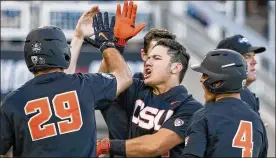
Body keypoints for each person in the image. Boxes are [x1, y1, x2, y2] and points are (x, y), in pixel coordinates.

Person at [0, 6, 133, 157]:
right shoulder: (85, 85)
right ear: (61, 50)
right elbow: (124, 77)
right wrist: (107, 44)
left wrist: (78, 36)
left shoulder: (13, 101)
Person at [83, 1, 176, 142]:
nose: (157, 61)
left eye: (164, 55)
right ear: (144, 54)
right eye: (154, 53)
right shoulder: (130, 86)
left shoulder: (184, 101)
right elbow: (102, 85)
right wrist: (116, 45)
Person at [96, 37, 203, 157]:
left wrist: (106, 145)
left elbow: (154, 146)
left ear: (176, 68)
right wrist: (113, 47)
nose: (148, 62)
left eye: (156, 58)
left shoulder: (190, 108)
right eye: (148, 58)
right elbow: (101, 87)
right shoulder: (137, 87)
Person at [182, 49, 268, 157]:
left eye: (205, 75)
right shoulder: (257, 122)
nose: (201, 79)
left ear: (217, 82)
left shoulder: (204, 116)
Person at [216, 34, 266, 116]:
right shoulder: (239, 95)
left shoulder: (219, 92)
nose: (254, 62)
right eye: (247, 57)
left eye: (253, 56)